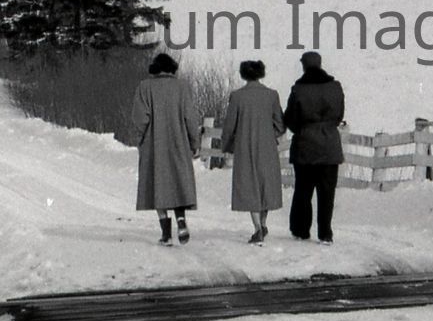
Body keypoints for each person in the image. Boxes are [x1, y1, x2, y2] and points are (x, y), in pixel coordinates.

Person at [130, 50, 203, 244]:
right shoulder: (182, 87)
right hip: (179, 143)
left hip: (154, 145)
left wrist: (140, 138)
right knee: (177, 183)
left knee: (157, 185)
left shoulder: (145, 87)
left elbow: (140, 118)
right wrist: (194, 142)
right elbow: (190, 118)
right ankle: (181, 219)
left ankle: (166, 234)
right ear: (172, 69)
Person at [217, 57, 286, 243]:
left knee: (249, 186)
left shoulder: (237, 96)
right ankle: (263, 223)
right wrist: (270, 135)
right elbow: (280, 125)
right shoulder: (272, 95)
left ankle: (257, 228)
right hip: (267, 147)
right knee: (265, 185)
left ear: (243, 74)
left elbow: (229, 126)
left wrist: (227, 146)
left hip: (244, 147)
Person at [283, 49, 346, 242]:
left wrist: (303, 130)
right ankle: (325, 233)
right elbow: (339, 115)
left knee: (303, 190)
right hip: (330, 146)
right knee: (327, 192)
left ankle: (301, 230)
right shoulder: (335, 87)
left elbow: (290, 118)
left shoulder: (298, 89)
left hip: (305, 145)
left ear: (304, 66)